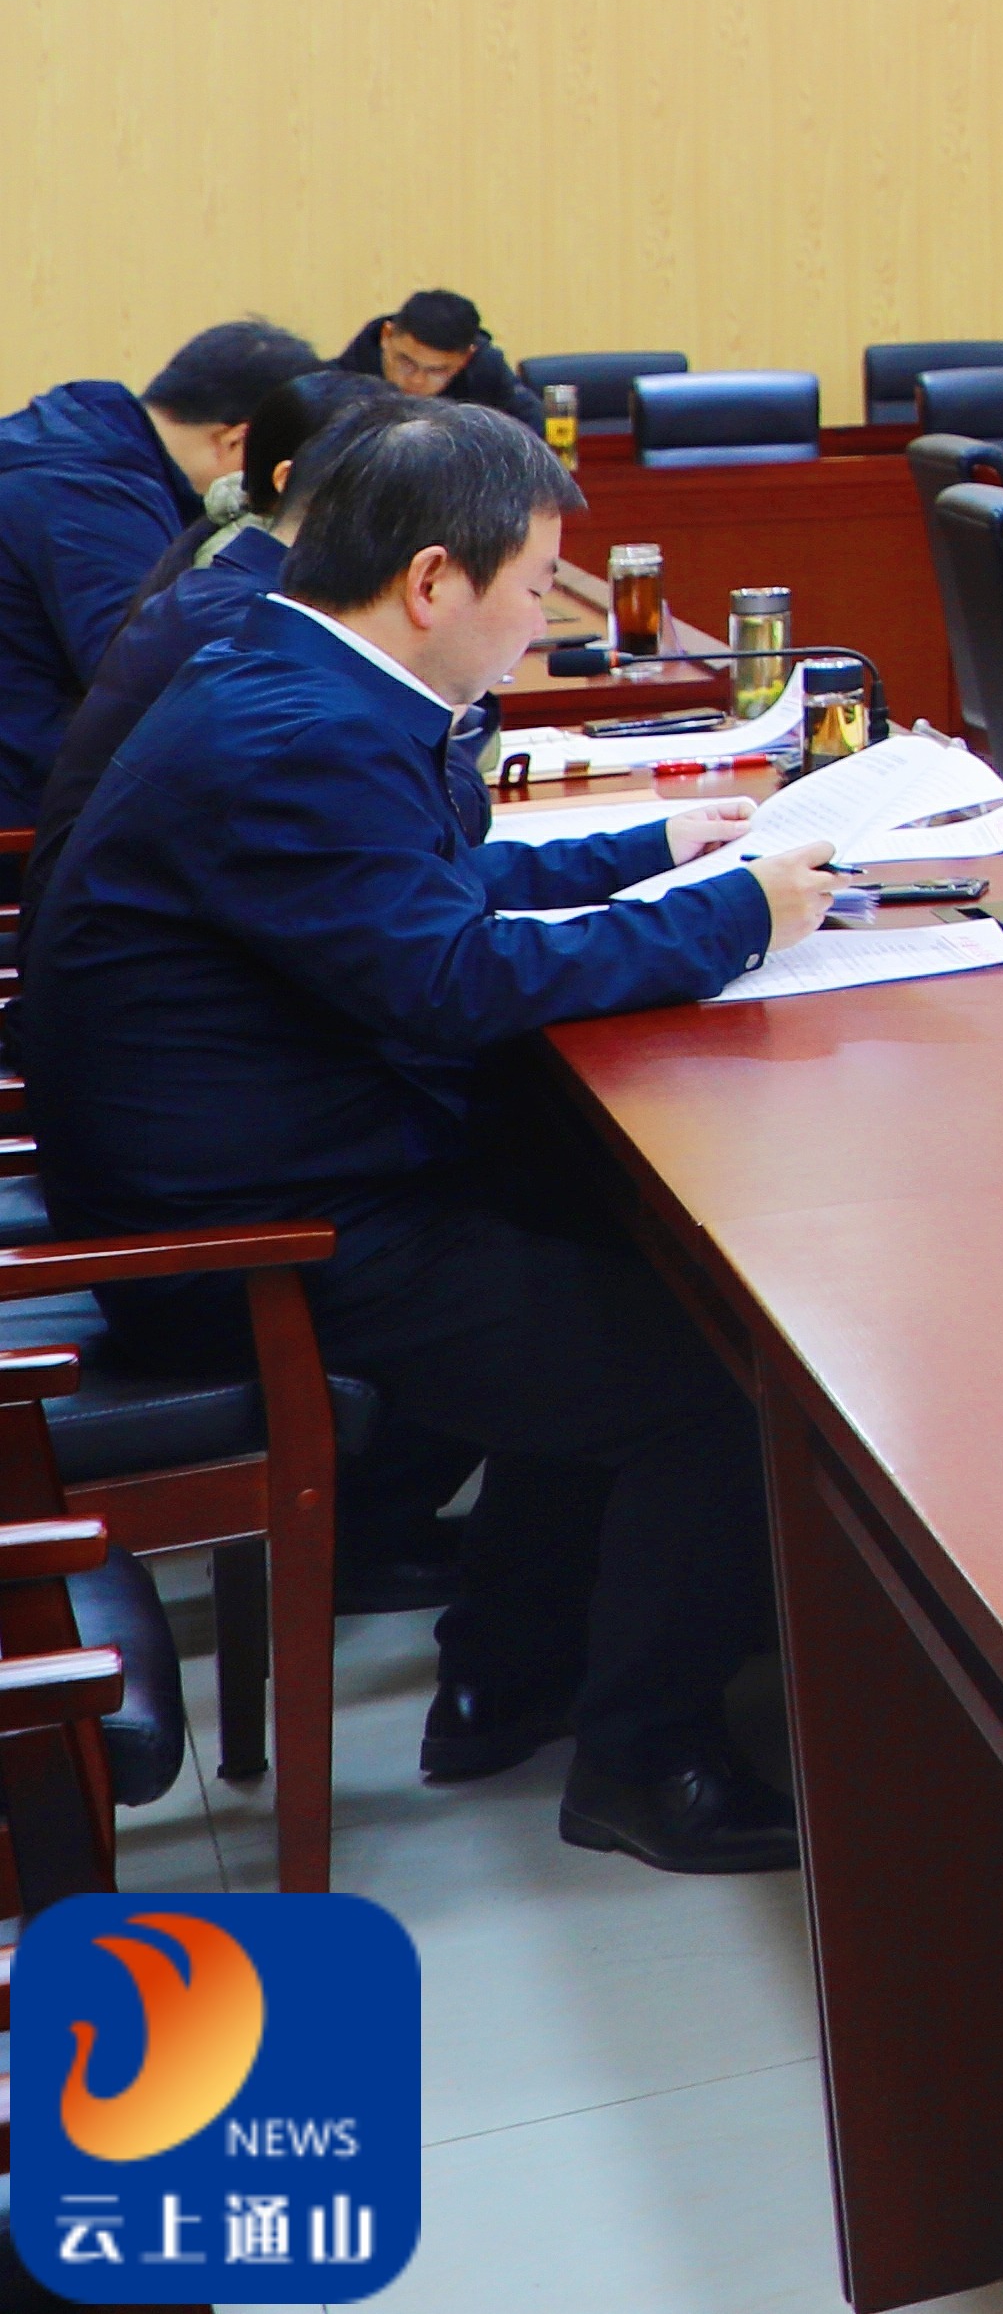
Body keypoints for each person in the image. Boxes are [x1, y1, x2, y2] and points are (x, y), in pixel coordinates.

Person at [11, 404, 834, 1871]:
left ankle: (508, 1675)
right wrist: (735, 919)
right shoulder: (300, 734)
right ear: (435, 581)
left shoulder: (290, 676)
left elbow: (424, 892)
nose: (538, 625)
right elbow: (449, 979)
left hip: (270, 1170)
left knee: (594, 1237)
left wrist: (658, 852)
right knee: (724, 1373)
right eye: (533, 589)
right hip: (252, 1243)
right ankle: (649, 1763)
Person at [34, 369, 407, 871]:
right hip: (148, 902)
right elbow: (377, 810)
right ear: (291, 482)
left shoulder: (241, 569)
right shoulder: (246, 617)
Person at [0, 319, 322, 797]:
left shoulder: (66, 440)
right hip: (23, 797)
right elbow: (145, 679)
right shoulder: (90, 497)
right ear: (238, 441)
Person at [333, 288, 540, 424]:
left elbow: (537, 436)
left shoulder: (485, 371)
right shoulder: (343, 381)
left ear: (466, 358)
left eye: (437, 371)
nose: (417, 380)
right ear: (386, 336)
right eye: (406, 362)